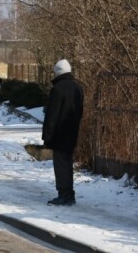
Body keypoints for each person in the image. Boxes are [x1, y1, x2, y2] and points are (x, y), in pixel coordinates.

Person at [43, 59, 84, 206]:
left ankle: (64, 194)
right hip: (72, 131)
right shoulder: (78, 88)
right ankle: (69, 193)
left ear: (58, 72)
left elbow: (52, 115)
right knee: (67, 163)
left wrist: (47, 135)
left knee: (60, 165)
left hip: (59, 134)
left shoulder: (58, 89)